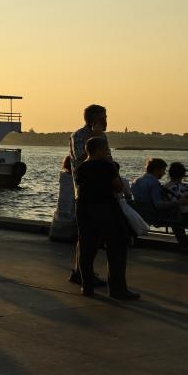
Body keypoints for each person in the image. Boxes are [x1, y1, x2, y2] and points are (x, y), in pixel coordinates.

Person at [74, 137, 137, 300]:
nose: (107, 151)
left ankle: (86, 286)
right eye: (105, 148)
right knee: (116, 246)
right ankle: (117, 289)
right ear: (99, 150)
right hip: (105, 208)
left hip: (83, 208)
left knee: (86, 248)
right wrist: (113, 168)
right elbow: (118, 186)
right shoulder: (106, 166)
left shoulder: (80, 168)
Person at [67, 104, 107, 286]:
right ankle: (83, 274)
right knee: (86, 236)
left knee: (95, 237)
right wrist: (93, 139)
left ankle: (82, 271)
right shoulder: (79, 136)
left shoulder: (103, 137)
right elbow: (80, 159)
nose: (106, 120)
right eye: (102, 117)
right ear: (93, 120)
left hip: (102, 190)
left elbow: (108, 159)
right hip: (85, 191)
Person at [131, 157, 188, 245]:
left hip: (138, 212)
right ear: (156, 170)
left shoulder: (137, 181)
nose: (164, 173)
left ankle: (184, 243)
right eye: (163, 170)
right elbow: (158, 204)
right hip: (152, 214)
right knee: (178, 214)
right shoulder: (154, 183)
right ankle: (184, 243)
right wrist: (179, 202)